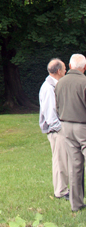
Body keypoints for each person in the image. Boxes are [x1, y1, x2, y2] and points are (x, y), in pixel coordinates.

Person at [55, 54, 86, 212]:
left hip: (66, 127)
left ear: (70, 65)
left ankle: (76, 204)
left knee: (75, 166)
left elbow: (57, 106)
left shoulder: (60, 83)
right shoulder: (84, 82)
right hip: (83, 127)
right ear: (84, 68)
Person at [39, 58, 69, 200]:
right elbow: (50, 113)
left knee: (63, 160)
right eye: (64, 68)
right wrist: (59, 129)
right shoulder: (48, 88)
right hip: (56, 131)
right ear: (58, 71)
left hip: (57, 129)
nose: (66, 71)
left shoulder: (54, 86)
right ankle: (61, 192)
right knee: (60, 161)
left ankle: (64, 189)